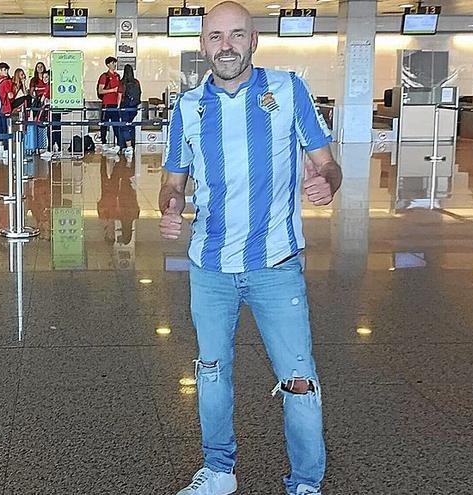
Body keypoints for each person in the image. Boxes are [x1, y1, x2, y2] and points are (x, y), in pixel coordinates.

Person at [158, 3, 343, 495]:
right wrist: (171, 204)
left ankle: (305, 483)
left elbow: (327, 162)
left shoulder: (287, 90)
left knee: (299, 380)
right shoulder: (189, 108)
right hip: (210, 266)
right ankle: (219, 471)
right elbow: (171, 180)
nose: (226, 45)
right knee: (212, 372)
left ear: (254, 40)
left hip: (275, 264)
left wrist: (327, 182)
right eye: (216, 36)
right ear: (203, 45)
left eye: (237, 34)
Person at [97, 56, 122, 153]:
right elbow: (100, 90)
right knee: (104, 124)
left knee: (116, 125)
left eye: (115, 63)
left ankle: (118, 144)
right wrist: (112, 90)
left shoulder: (117, 76)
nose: (114, 65)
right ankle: (104, 143)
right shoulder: (104, 76)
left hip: (115, 104)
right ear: (108, 65)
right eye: (112, 63)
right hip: (107, 104)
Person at [117, 64, 141, 156]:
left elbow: (119, 95)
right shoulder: (136, 82)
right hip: (134, 107)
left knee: (124, 125)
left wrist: (118, 106)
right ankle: (126, 145)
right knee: (129, 125)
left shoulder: (122, 82)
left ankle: (128, 146)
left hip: (125, 106)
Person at [0, 62, 15, 160]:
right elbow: (10, 95)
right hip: (5, 107)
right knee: (6, 129)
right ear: (0, 70)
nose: (6, 72)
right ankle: (6, 150)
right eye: (4, 70)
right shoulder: (6, 81)